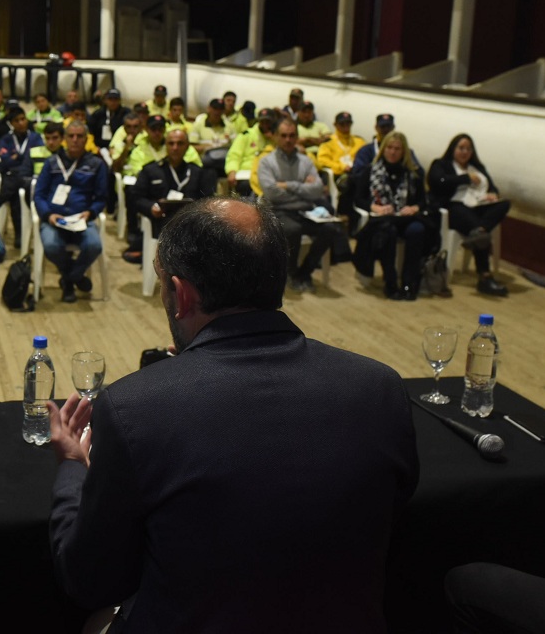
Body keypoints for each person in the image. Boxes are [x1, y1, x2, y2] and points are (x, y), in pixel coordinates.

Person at [47, 197, 419, 634]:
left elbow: (89, 580)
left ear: (181, 294)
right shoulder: (382, 388)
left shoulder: (134, 408)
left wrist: (72, 467)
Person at [258, 118, 349, 293]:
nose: (288, 140)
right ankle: (291, 272)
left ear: (297, 137)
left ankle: (304, 272)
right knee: (293, 229)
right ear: (275, 137)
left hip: (305, 211)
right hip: (278, 211)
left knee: (331, 229)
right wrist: (303, 189)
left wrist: (288, 185)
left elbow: (317, 190)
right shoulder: (266, 162)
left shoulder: (305, 161)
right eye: (283, 135)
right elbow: (272, 193)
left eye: (292, 135)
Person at [353, 131, 437, 300]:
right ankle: (390, 281)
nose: (392, 152)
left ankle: (409, 281)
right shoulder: (371, 170)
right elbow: (358, 199)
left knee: (417, 230)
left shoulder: (413, 173)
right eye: (389, 148)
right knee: (387, 231)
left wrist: (414, 207)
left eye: (397, 149)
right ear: (383, 149)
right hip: (383, 219)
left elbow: (423, 200)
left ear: (404, 151)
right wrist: (375, 207)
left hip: (406, 217)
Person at [33, 120, 108, 303]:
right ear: (65, 139)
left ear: (86, 139)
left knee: (94, 245)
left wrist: (90, 213)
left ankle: (69, 279)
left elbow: (101, 198)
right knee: (51, 245)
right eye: (71, 136)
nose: (75, 140)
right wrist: (48, 215)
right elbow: (39, 195)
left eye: (79, 136)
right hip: (54, 219)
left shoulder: (96, 164)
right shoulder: (52, 162)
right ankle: (76, 277)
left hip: (82, 219)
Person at [428, 133, 510, 297]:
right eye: (461, 148)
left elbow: (492, 187)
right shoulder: (441, 164)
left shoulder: (478, 168)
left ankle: (479, 231)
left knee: (504, 205)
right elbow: (438, 182)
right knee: (480, 233)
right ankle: (485, 277)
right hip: (454, 207)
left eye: (468, 149)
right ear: (453, 149)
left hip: (477, 206)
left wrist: (492, 194)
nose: (465, 152)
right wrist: (465, 178)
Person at [129, 128, 216, 240]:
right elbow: (136, 197)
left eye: (180, 144)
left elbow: (207, 200)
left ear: (187, 146)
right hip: (161, 222)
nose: (175, 148)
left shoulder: (197, 172)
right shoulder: (150, 170)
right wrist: (151, 208)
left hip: (192, 225)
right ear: (166, 146)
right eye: (171, 143)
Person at [0, 106, 43, 248]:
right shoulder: (6, 139)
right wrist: (22, 157)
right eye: (16, 120)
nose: (21, 123)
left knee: (15, 187)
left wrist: (17, 157)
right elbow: (5, 160)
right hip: (11, 175)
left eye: (23, 119)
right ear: (11, 123)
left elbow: (38, 157)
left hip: (29, 176)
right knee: (15, 195)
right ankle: (19, 233)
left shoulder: (36, 137)